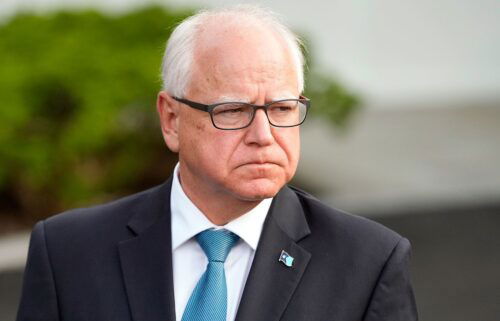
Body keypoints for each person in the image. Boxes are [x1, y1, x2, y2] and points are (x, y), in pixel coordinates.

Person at [16, 5, 417, 321]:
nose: (263, 134)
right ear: (171, 120)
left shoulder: (368, 261)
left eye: (281, 107)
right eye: (232, 110)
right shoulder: (69, 252)